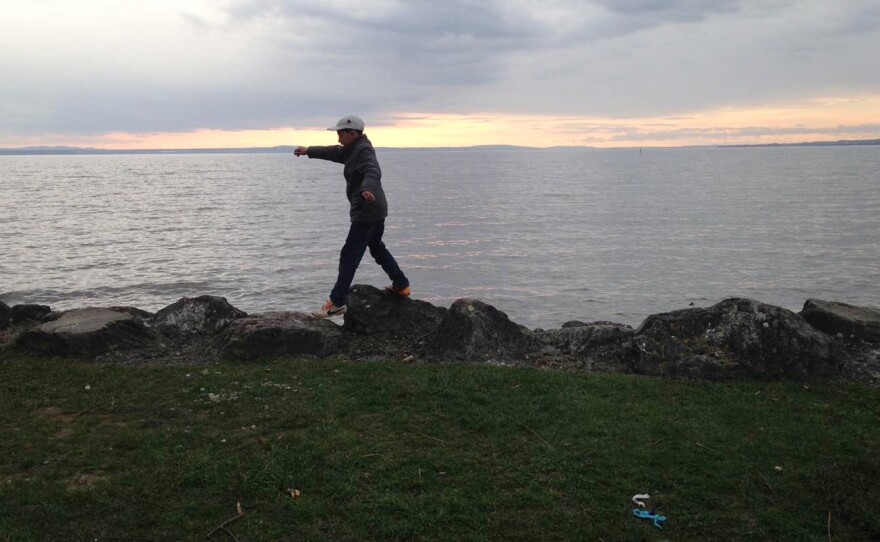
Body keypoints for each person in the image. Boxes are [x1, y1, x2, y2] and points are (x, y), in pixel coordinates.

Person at [294, 115, 411, 318]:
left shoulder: (363, 151)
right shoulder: (352, 149)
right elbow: (334, 152)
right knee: (376, 246)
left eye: (341, 133)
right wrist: (308, 151)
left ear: (353, 133)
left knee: (349, 255)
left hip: (367, 209)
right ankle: (401, 285)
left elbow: (372, 171)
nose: (338, 136)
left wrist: (367, 188)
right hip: (375, 209)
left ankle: (337, 302)